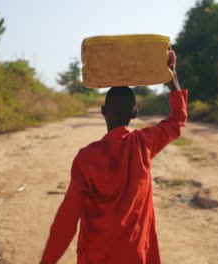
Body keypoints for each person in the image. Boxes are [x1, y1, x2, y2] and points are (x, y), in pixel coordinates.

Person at [41, 50, 188, 264]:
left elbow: (68, 216)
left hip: (96, 257)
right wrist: (172, 79)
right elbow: (177, 120)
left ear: (103, 111)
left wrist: (47, 261)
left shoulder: (86, 158)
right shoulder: (144, 144)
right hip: (135, 257)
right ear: (134, 113)